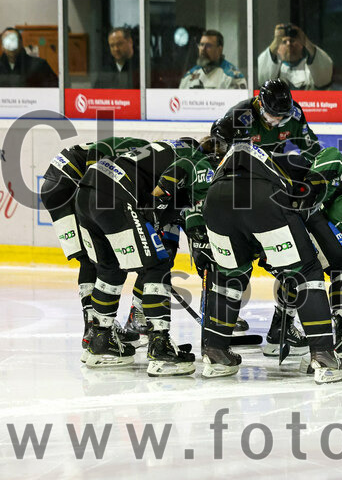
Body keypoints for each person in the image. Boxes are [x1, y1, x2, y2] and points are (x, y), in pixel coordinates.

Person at [74, 136, 226, 376]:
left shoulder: (166, 148)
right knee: (157, 266)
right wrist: (151, 209)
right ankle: (160, 346)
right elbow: (170, 181)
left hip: (86, 192)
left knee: (110, 268)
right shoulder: (201, 161)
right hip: (117, 194)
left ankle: (100, 343)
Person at [200, 138, 342, 383]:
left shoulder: (230, 162)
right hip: (259, 195)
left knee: (228, 278)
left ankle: (215, 352)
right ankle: (323, 356)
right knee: (306, 271)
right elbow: (308, 192)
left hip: (214, 200)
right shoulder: (292, 160)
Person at [40, 136, 149, 360]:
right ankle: (94, 328)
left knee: (89, 258)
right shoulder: (140, 150)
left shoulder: (144, 154)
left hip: (56, 182)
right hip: (69, 183)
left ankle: (92, 327)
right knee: (96, 259)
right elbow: (99, 152)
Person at [225, 79, 321, 162]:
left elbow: (310, 146)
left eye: (283, 115)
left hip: (276, 164)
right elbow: (223, 149)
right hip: (245, 164)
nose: (278, 120)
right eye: (273, 114)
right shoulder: (239, 115)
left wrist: (310, 173)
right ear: (260, 105)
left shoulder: (295, 114)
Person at [256, 23, 333, 90]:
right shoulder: (274, 70)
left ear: (301, 45)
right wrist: (276, 41)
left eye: (292, 41)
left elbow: (324, 79)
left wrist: (306, 41)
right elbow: (262, 79)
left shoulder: (311, 68)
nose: (289, 44)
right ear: (278, 49)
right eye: (284, 42)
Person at [179, 30, 246, 89]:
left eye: (208, 46)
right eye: (201, 45)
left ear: (219, 49)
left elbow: (240, 102)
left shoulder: (232, 76)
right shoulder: (190, 75)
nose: (203, 49)